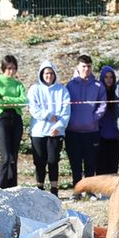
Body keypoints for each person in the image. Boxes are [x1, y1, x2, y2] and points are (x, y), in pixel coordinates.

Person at [27, 63, 70, 194]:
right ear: (41, 74)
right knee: (39, 161)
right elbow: (33, 109)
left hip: (55, 133)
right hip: (38, 132)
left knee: (53, 160)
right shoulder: (34, 89)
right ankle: (39, 187)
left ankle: (54, 188)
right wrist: (48, 116)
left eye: (51, 73)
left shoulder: (62, 90)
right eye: (46, 73)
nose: (49, 76)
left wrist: (59, 126)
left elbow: (66, 111)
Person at [65, 55, 107, 186]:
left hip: (91, 130)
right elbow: (66, 106)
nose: (86, 69)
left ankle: (90, 190)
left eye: (89, 66)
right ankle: (77, 189)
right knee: (75, 163)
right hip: (73, 131)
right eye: (83, 66)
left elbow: (103, 104)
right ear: (78, 67)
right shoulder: (70, 85)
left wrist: (93, 118)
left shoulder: (98, 85)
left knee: (90, 162)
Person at [0, 55, 27, 188]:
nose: (11, 72)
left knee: (13, 157)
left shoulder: (18, 85)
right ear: (3, 68)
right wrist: (13, 101)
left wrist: (7, 99)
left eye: (13, 69)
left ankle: (12, 186)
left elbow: (23, 101)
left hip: (16, 119)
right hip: (2, 118)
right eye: (8, 68)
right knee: (5, 156)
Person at [97, 64, 119, 174]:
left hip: (115, 136)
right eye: (106, 77)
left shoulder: (117, 93)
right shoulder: (98, 93)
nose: (109, 80)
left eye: (111, 77)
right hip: (101, 136)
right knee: (101, 166)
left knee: (113, 167)